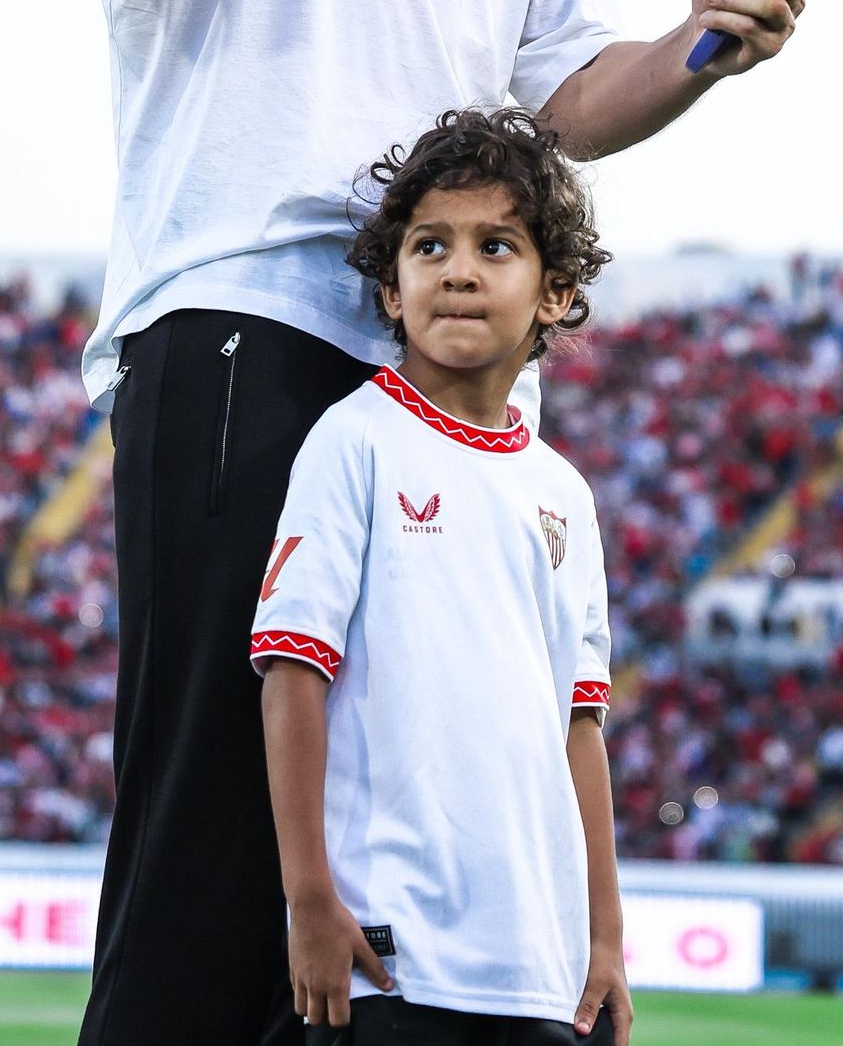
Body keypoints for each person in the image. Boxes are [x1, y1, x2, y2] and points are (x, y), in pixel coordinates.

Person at [10, 0, 824, 1046]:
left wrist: (698, 44)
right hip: (243, 325)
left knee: (382, 905)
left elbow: (559, 101)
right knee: (215, 860)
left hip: (440, 376)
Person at [253, 109, 629, 1045]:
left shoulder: (564, 493)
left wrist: (606, 937)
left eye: (496, 245)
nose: (459, 269)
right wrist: (309, 898)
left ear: (556, 292)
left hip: (539, 969)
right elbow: (293, 675)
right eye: (430, 245)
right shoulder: (353, 442)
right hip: (393, 961)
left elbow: (578, 727)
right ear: (391, 288)